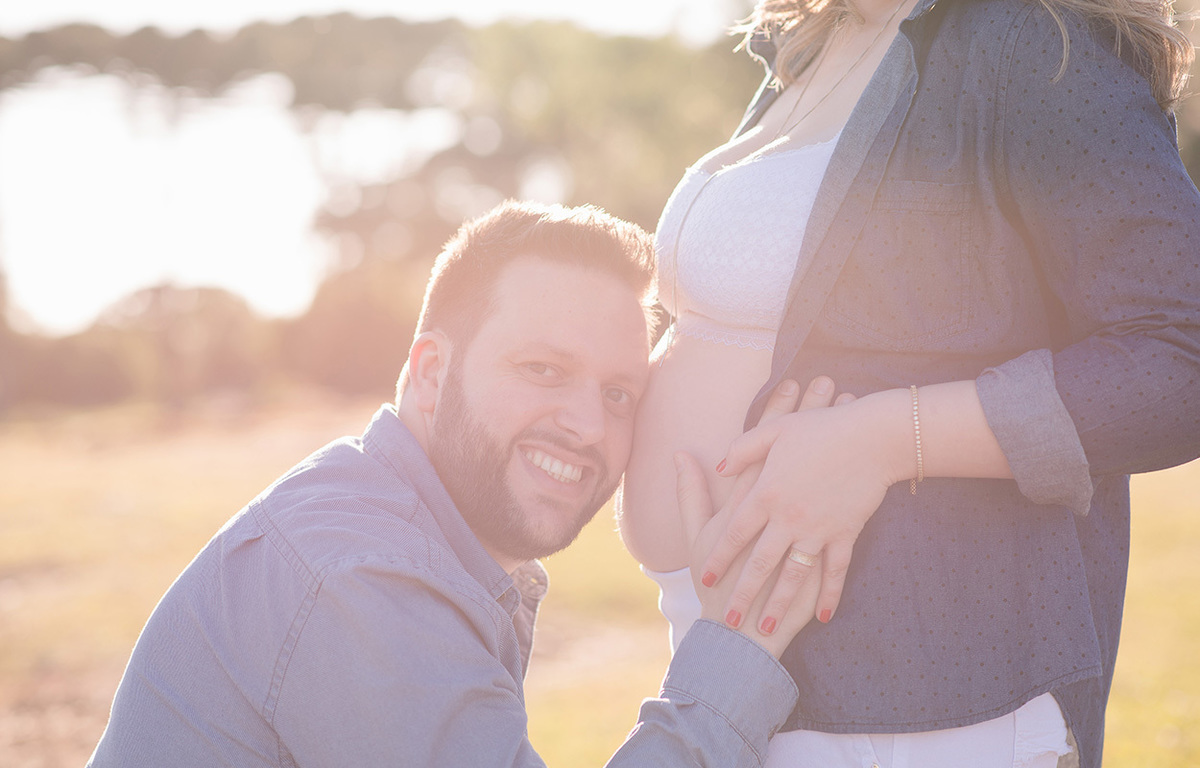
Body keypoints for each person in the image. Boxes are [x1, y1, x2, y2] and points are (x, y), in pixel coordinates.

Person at [617, 0, 1200, 765]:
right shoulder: (808, 44)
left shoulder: (1034, 40)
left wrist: (881, 441)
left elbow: (1180, 352)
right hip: (721, 638)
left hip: (912, 698)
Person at [86, 201, 826, 767]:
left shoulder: (394, 528)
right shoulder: (364, 577)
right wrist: (731, 647)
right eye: (544, 370)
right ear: (432, 372)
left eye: (618, 395)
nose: (589, 428)